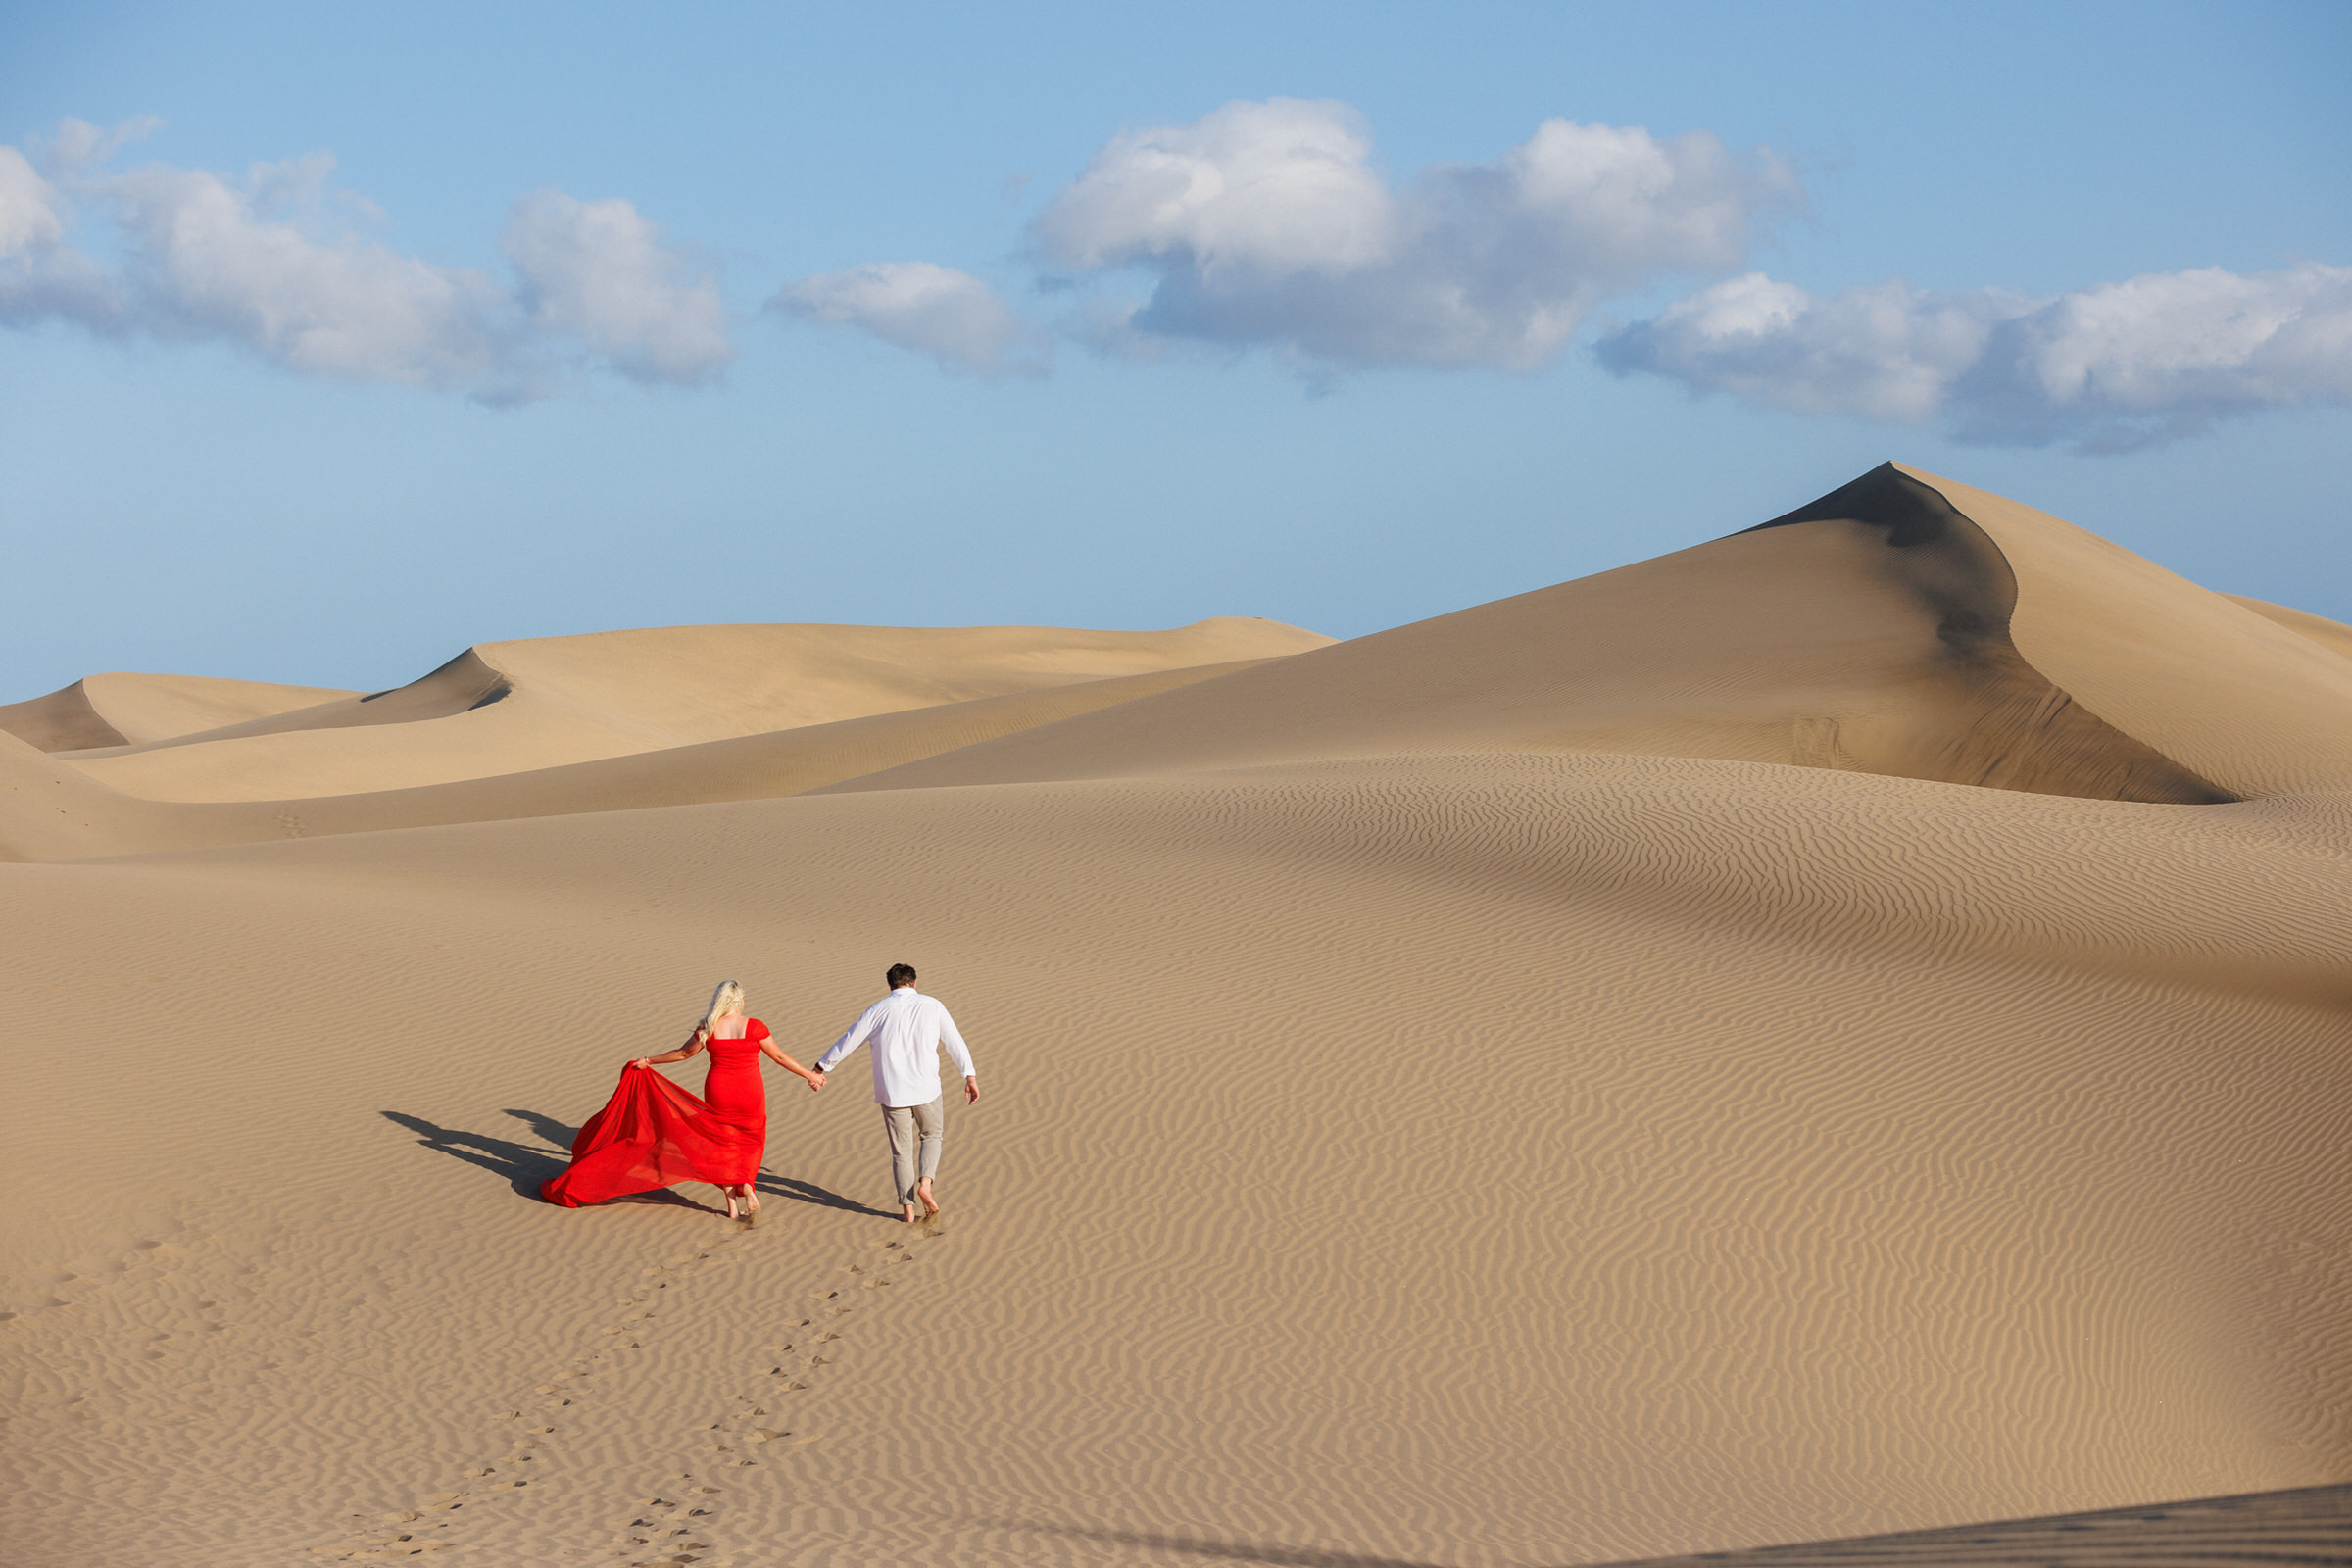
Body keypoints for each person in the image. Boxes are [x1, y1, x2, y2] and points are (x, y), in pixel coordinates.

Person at [542, 980, 823, 1216]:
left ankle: (732, 1205)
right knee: (749, 1138)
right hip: (749, 1090)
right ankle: (747, 1185)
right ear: (739, 1001)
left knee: (720, 1140)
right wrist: (810, 1076)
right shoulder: (755, 1026)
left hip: (719, 1088)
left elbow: (682, 1054)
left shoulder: (709, 1026)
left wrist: (648, 1060)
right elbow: (779, 1056)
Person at [812, 963, 979, 1223]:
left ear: (890, 984)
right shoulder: (933, 1005)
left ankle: (908, 1210)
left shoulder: (878, 1010)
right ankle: (926, 1183)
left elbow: (850, 1039)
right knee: (932, 1136)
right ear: (914, 982)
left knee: (901, 1152)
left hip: (893, 1092)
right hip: (927, 1089)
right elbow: (954, 1041)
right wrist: (969, 1075)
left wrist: (822, 1066)